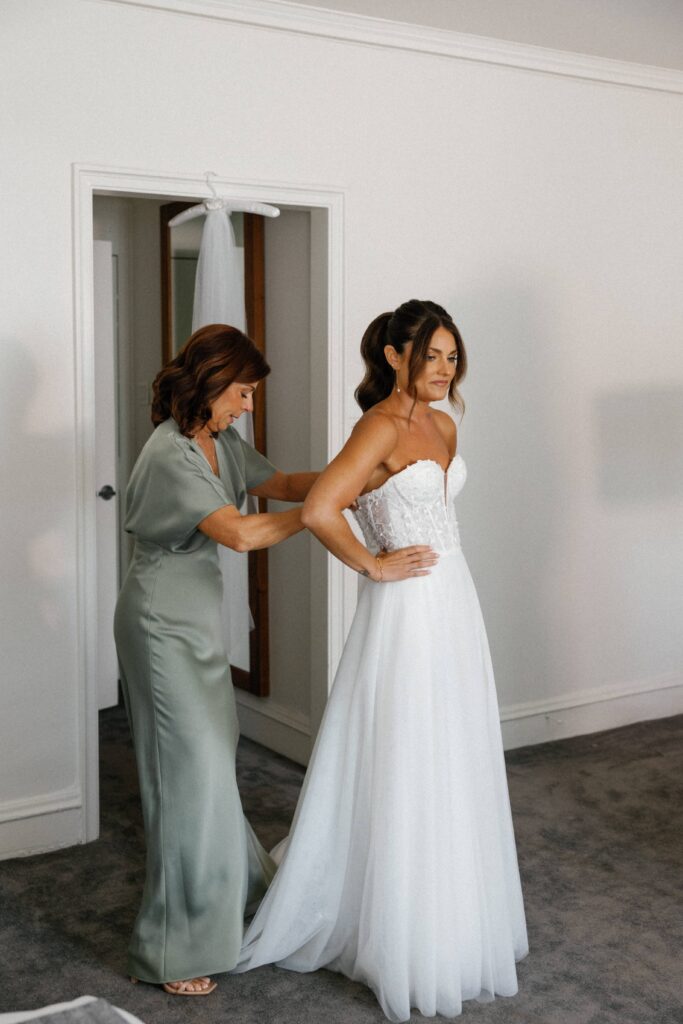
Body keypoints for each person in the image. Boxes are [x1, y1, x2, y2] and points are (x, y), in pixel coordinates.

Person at [232, 299, 529, 1021]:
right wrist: (372, 565)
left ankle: (453, 912)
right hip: (407, 611)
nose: (442, 369)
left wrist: (276, 481)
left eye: (451, 357)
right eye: (429, 355)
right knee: (406, 750)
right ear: (395, 355)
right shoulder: (379, 425)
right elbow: (322, 507)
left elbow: (359, 492)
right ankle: (397, 928)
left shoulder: (445, 424)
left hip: (454, 600)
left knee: (450, 749)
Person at [114, 324, 386, 997]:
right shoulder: (171, 453)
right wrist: (321, 512)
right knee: (187, 775)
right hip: (159, 625)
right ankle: (172, 946)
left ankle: (234, 891)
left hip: (197, 621)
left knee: (207, 767)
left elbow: (280, 481)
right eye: (242, 392)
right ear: (209, 385)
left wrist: (361, 471)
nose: (249, 404)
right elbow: (239, 533)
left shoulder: (217, 439)